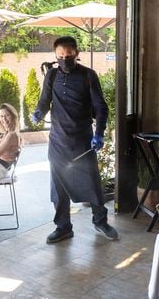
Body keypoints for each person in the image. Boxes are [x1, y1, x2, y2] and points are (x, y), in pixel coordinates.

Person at [31, 36, 119, 244]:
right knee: (58, 186)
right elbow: (44, 102)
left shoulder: (88, 76)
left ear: (76, 54)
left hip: (82, 140)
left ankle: (100, 221)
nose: (64, 59)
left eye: (68, 55)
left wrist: (99, 133)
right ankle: (63, 227)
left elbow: (100, 107)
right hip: (57, 141)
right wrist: (37, 113)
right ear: (55, 56)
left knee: (92, 183)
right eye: (60, 56)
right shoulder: (51, 75)